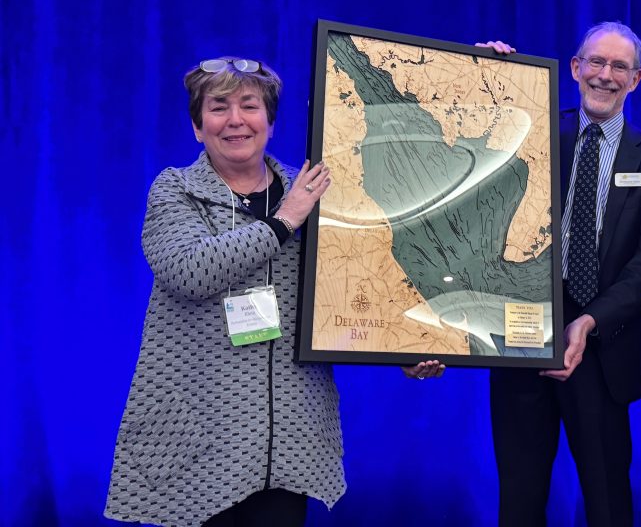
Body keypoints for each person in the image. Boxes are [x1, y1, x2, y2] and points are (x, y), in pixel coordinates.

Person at [105, 57, 442, 527]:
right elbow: (189, 271)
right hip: (198, 439)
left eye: (250, 105)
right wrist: (284, 221)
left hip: (289, 439)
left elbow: (349, 292)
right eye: (219, 107)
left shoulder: (315, 192)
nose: (236, 119)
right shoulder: (175, 190)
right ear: (198, 127)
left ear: (270, 121)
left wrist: (399, 348)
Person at [481, 23, 641, 527]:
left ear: (636, 79)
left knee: (608, 502)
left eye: (620, 67)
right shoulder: (534, 130)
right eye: (596, 63)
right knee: (519, 500)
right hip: (523, 342)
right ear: (575, 68)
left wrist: (588, 323)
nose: (606, 76)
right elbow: (477, 134)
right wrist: (482, 74)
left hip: (603, 348)